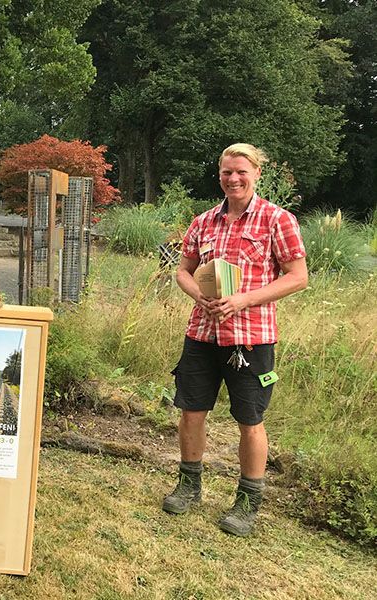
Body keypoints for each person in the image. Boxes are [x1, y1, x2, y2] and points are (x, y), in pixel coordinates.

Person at [162, 143, 308, 536]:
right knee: (191, 411)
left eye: (241, 171)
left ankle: (247, 502)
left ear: (256, 173)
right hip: (202, 333)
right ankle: (189, 486)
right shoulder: (204, 222)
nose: (234, 178)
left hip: (252, 338)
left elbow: (297, 276)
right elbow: (183, 271)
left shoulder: (277, 220)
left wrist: (242, 300)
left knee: (250, 420)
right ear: (220, 175)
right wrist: (199, 296)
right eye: (227, 172)